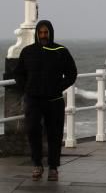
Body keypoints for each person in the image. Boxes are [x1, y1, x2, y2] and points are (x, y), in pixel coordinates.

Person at [13, 19, 77, 182]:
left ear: (50, 33)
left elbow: (72, 73)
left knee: (54, 134)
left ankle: (53, 167)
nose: (43, 36)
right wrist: (25, 87)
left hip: (54, 100)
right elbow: (18, 73)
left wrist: (59, 87)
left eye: (45, 33)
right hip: (33, 100)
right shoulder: (28, 51)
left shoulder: (60, 51)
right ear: (36, 34)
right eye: (40, 33)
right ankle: (37, 164)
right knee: (33, 130)